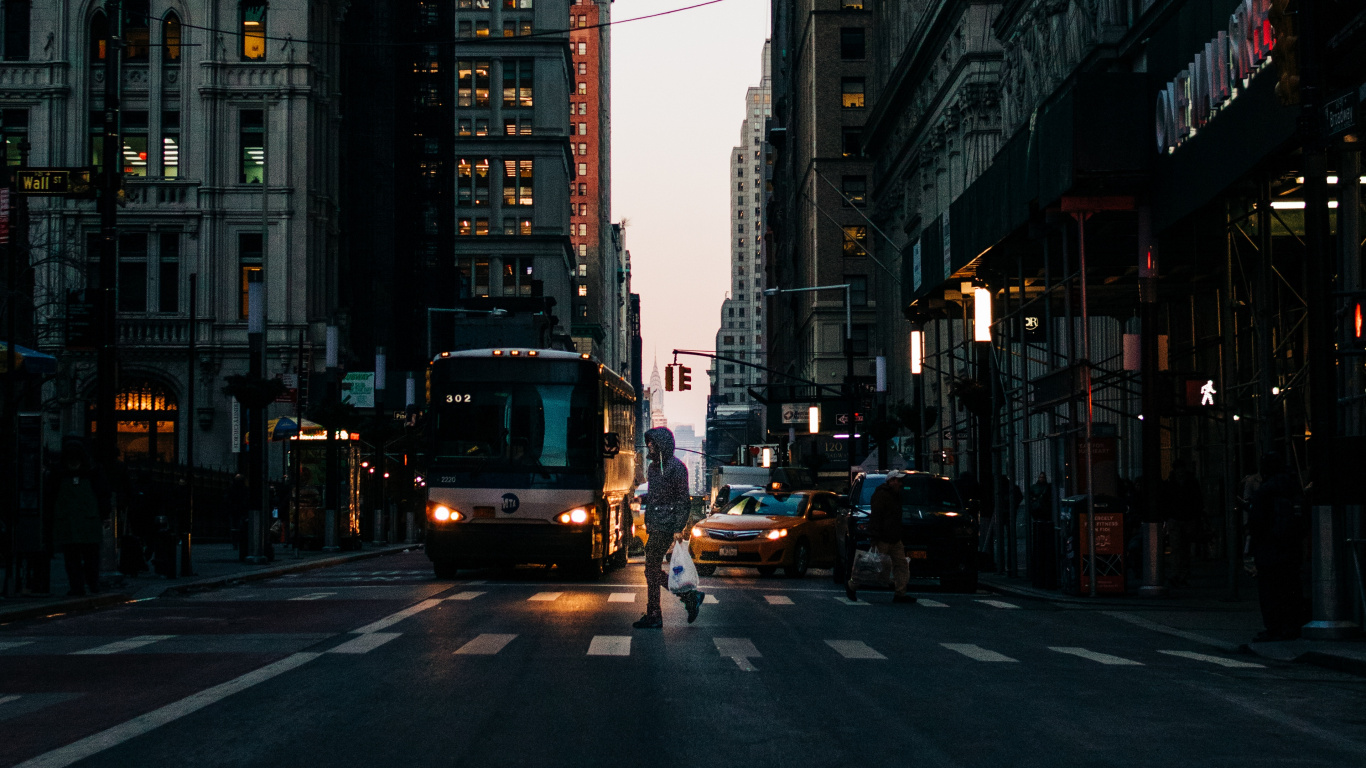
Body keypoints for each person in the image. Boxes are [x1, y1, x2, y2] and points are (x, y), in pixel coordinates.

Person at [633, 427, 705, 628]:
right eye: (649, 442)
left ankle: (657, 613)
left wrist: (678, 527)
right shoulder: (653, 468)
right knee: (651, 569)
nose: (649, 445)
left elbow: (682, 499)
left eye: (652, 442)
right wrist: (644, 506)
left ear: (662, 444)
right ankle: (687, 598)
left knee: (651, 569)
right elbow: (656, 495)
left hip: (667, 525)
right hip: (655, 523)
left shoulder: (677, 468)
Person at [1247, 453, 1308, 642]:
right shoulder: (1294, 487)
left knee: (1270, 591)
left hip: (1269, 549)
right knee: (1291, 588)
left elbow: (1256, 524)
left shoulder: (1265, 491)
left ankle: (1274, 628)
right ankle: (1292, 626)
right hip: (1291, 548)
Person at [45, 438, 110, 597]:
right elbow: (103, 495)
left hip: (68, 521)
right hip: (88, 520)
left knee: (72, 558)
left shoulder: (58, 472)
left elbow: (50, 497)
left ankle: (78, 586)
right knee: (90, 557)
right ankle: (91, 584)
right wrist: (104, 514)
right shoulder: (93, 471)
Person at [846, 470, 915, 603]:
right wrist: (874, 537)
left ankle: (900, 593)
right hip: (883, 537)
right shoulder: (881, 495)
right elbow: (876, 517)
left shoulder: (895, 495)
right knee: (871, 567)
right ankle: (852, 585)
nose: (901, 483)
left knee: (900, 565)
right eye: (898, 480)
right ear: (891, 481)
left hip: (893, 537)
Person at [1165, 459, 1202, 587]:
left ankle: (1178, 574)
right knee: (1181, 548)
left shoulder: (1171, 482)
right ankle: (1179, 574)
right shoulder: (1190, 482)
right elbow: (1197, 500)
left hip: (1181, 518)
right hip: (1183, 518)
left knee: (1181, 548)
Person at [225, 474, 250, 562]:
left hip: (234, 509)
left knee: (234, 527)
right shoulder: (244, 489)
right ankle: (239, 541)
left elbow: (227, 498)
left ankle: (235, 542)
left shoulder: (231, 488)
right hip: (241, 509)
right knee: (239, 526)